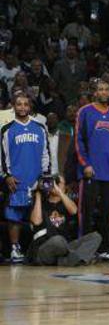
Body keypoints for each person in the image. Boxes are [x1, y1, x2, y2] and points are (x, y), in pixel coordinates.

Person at [75, 79, 109, 258]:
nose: (103, 92)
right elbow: (78, 141)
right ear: (94, 92)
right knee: (86, 213)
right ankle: (84, 249)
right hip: (91, 172)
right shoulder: (84, 112)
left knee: (108, 213)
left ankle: (106, 249)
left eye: (106, 89)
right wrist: (85, 164)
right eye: (100, 89)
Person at [1, 93, 50, 263]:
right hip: (16, 181)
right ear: (13, 106)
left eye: (25, 104)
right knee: (14, 216)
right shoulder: (6, 130)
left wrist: (45, 176)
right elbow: (2, 157)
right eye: (19, 104)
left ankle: (37, 249)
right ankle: (15, 249)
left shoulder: (40, 128)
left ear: (30, 107)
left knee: (37, 216)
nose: (22, 107)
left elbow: (46, 154)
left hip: (36, 180)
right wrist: (7, 176)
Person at [29, 175, 101, 266]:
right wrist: (38, 194)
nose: (55, 185)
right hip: (45, 247)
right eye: (54, 182)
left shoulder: (66, 204)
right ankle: (80, 257)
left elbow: (74, 211)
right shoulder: (40, 203)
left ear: (65, 187)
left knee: (96, 237)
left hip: (65, 247)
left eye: (58, 182)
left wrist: (59, 192)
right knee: (58, 241)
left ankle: (66, 260)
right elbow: (36, 221)